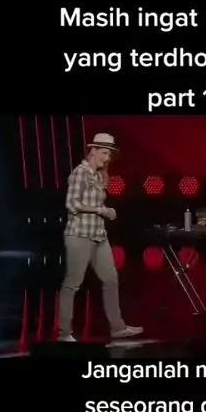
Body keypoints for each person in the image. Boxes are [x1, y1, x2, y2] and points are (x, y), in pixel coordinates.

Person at [58, 132, 143, 342]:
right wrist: (101, 210)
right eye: (104, 153)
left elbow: (94, 203)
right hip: (80, 234)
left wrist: (106, 211)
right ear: (93, 151)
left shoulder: (97, 175)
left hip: (98, 235)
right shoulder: (80, 173)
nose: (107, 158)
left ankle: (117, 327)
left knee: (111, 279)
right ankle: (64, 333)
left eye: (109, 155)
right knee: (73, 283)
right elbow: (72, 203)